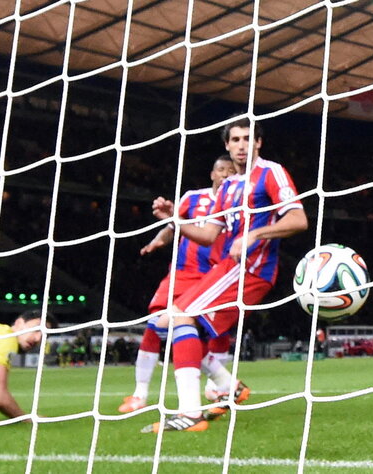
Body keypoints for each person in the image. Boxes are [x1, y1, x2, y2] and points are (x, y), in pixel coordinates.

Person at [146, 117, 308, 432]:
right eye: (235, 140)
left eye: (248, 139)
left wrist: (254, 234)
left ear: (258, 143)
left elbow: (298, 219)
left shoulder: (271, 173)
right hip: (227, 267)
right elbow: (208, 235)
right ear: (227, 145)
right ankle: (228, 386)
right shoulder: (229, 186)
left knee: (179, 317)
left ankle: (191, 414)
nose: (241, 145)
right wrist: (174, 219)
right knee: (163, 323)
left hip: (251, 268)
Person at [118, 155, 234, 414]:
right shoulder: (193, 198)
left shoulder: (237, 203)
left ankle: (219, 387)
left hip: (213, 277)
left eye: (230, 171)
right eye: (221, 170)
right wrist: (158, 240)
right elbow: (173, 226)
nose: (225, 174)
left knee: (209, 333)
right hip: (181, 273)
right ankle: (139, 394)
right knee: (155, 326)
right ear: (212, 174)